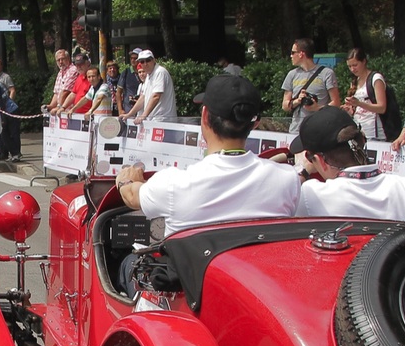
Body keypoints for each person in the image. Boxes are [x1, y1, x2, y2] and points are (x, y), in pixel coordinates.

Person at [114, 74, 301, 238]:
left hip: (190, 278)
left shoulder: (173, 184)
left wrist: (125, 180)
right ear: (255, 123)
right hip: (255, 275)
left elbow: (131, 196)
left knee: (127, 265)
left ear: (204, 116)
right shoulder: (287, 180)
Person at [294, 107, 405, 219]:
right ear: (362, 140)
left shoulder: (311, 195)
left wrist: (305, 172)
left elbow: (277, 204)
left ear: (320, 160)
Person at [281, 38, 342, 133]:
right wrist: (298, 101)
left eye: (293, 52)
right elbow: (285, 106)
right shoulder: (292, 74)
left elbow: (336, 103)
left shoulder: (327, 73)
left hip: (319, 129)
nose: (290, 56)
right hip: (296, 130)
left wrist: (317, 108)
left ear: (301, 54)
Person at [343, 47, 390, 141]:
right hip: (359, 131)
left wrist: (359, 103)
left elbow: (382, 108)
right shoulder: (355, 81)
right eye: (349, 66)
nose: (352, 69)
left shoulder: (375, 79)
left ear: (364, 61)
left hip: (377, 133)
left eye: (355, 65)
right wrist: (349, 108)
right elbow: (357, 108)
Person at [126, 49, 176, 123]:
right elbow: (143, 98)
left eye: (148, 60)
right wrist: (129, 115)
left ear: (154, 60)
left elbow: (156, 96)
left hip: (163, 120)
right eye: (142, 61)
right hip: (154, 120)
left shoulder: (160, 72)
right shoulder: (149, 76)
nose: (145, 64)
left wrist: (143, 116)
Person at [43, 49, 79, 115]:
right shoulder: (60, 73)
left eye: (63, 59)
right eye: (58, 60)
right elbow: (56, 93)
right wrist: (50, 106)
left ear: (68, 59)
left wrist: (59, 107)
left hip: (70, 111)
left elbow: (66, 92)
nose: (60, 62)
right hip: (61, 112)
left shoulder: (73, 70)